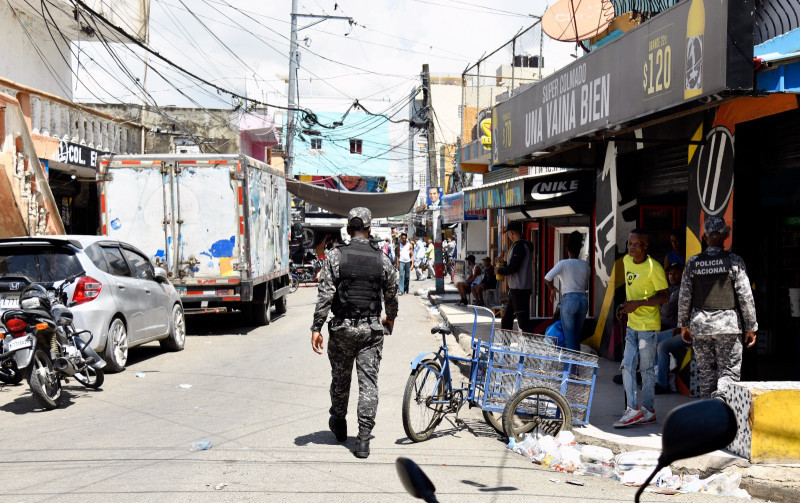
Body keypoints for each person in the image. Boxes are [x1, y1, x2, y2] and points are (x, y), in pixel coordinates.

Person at [311, 207, 398, 459]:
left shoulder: (335, 257)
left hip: (342, 330)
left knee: (340, 379)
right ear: (369, 229)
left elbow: (325, 295)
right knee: (368, 383)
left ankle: (338, 421)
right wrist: (390, 317)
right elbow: (391, 293)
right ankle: (362, 439)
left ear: (349, 229)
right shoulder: (382, 259)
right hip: (370, 330)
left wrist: (317, 327)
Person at [677, 216, 758, 401]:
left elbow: (684, 296)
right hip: (728, 327)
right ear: (725, 236)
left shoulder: (693, 262)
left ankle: (709, 418)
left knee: (706, 376)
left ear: (704, 237)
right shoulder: (734, 261)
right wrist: (751, 326)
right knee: (728, 373)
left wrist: (683, 324)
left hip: (700, 327)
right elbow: (745, 296)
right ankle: (723, 403)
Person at [614, 228, 669, 428]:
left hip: (648, 327)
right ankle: (633, 409)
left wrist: (639, 303)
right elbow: (630, 289)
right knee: (627, 364)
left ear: (646, 247)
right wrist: (625, 306)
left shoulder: (654, 267)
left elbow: (665, 295)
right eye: (630, 243)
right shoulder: (627, 261)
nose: (633, 247)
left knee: (646, 369)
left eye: (637, 245)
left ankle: (648, 411)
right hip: (631, 325)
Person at [544, 231, 591, 352]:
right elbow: (585, 286)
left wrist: (553, 289)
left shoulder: (563, 263)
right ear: (580, 250)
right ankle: (574, 368)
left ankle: (570, 370)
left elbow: (547, 278)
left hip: (569, 300)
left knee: (570, 338)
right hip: (583, 301)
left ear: (567, 249)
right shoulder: (586, 265)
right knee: (576, 337)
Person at [655, 263, 689, 394]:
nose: (672, 276)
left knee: (662, 346)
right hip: (670, 326)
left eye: (675, 273)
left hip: (682, 329)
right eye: (670, 274)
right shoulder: (670, 289)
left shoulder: (682, 290)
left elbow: (668, 307)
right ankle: (653, 377)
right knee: (652, 339)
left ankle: (662, 384)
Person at [495, 221, 535, 332]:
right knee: (506, 320)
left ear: (511, 233)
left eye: (508, 233)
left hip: (519, 290)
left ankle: (531, 345)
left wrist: (500, 270)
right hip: (516, 290)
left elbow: (514, 267)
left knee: (523, 323)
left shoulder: (520, 246)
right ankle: (505, 346)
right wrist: (504, 264)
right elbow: (515, 265)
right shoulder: (524, 245)